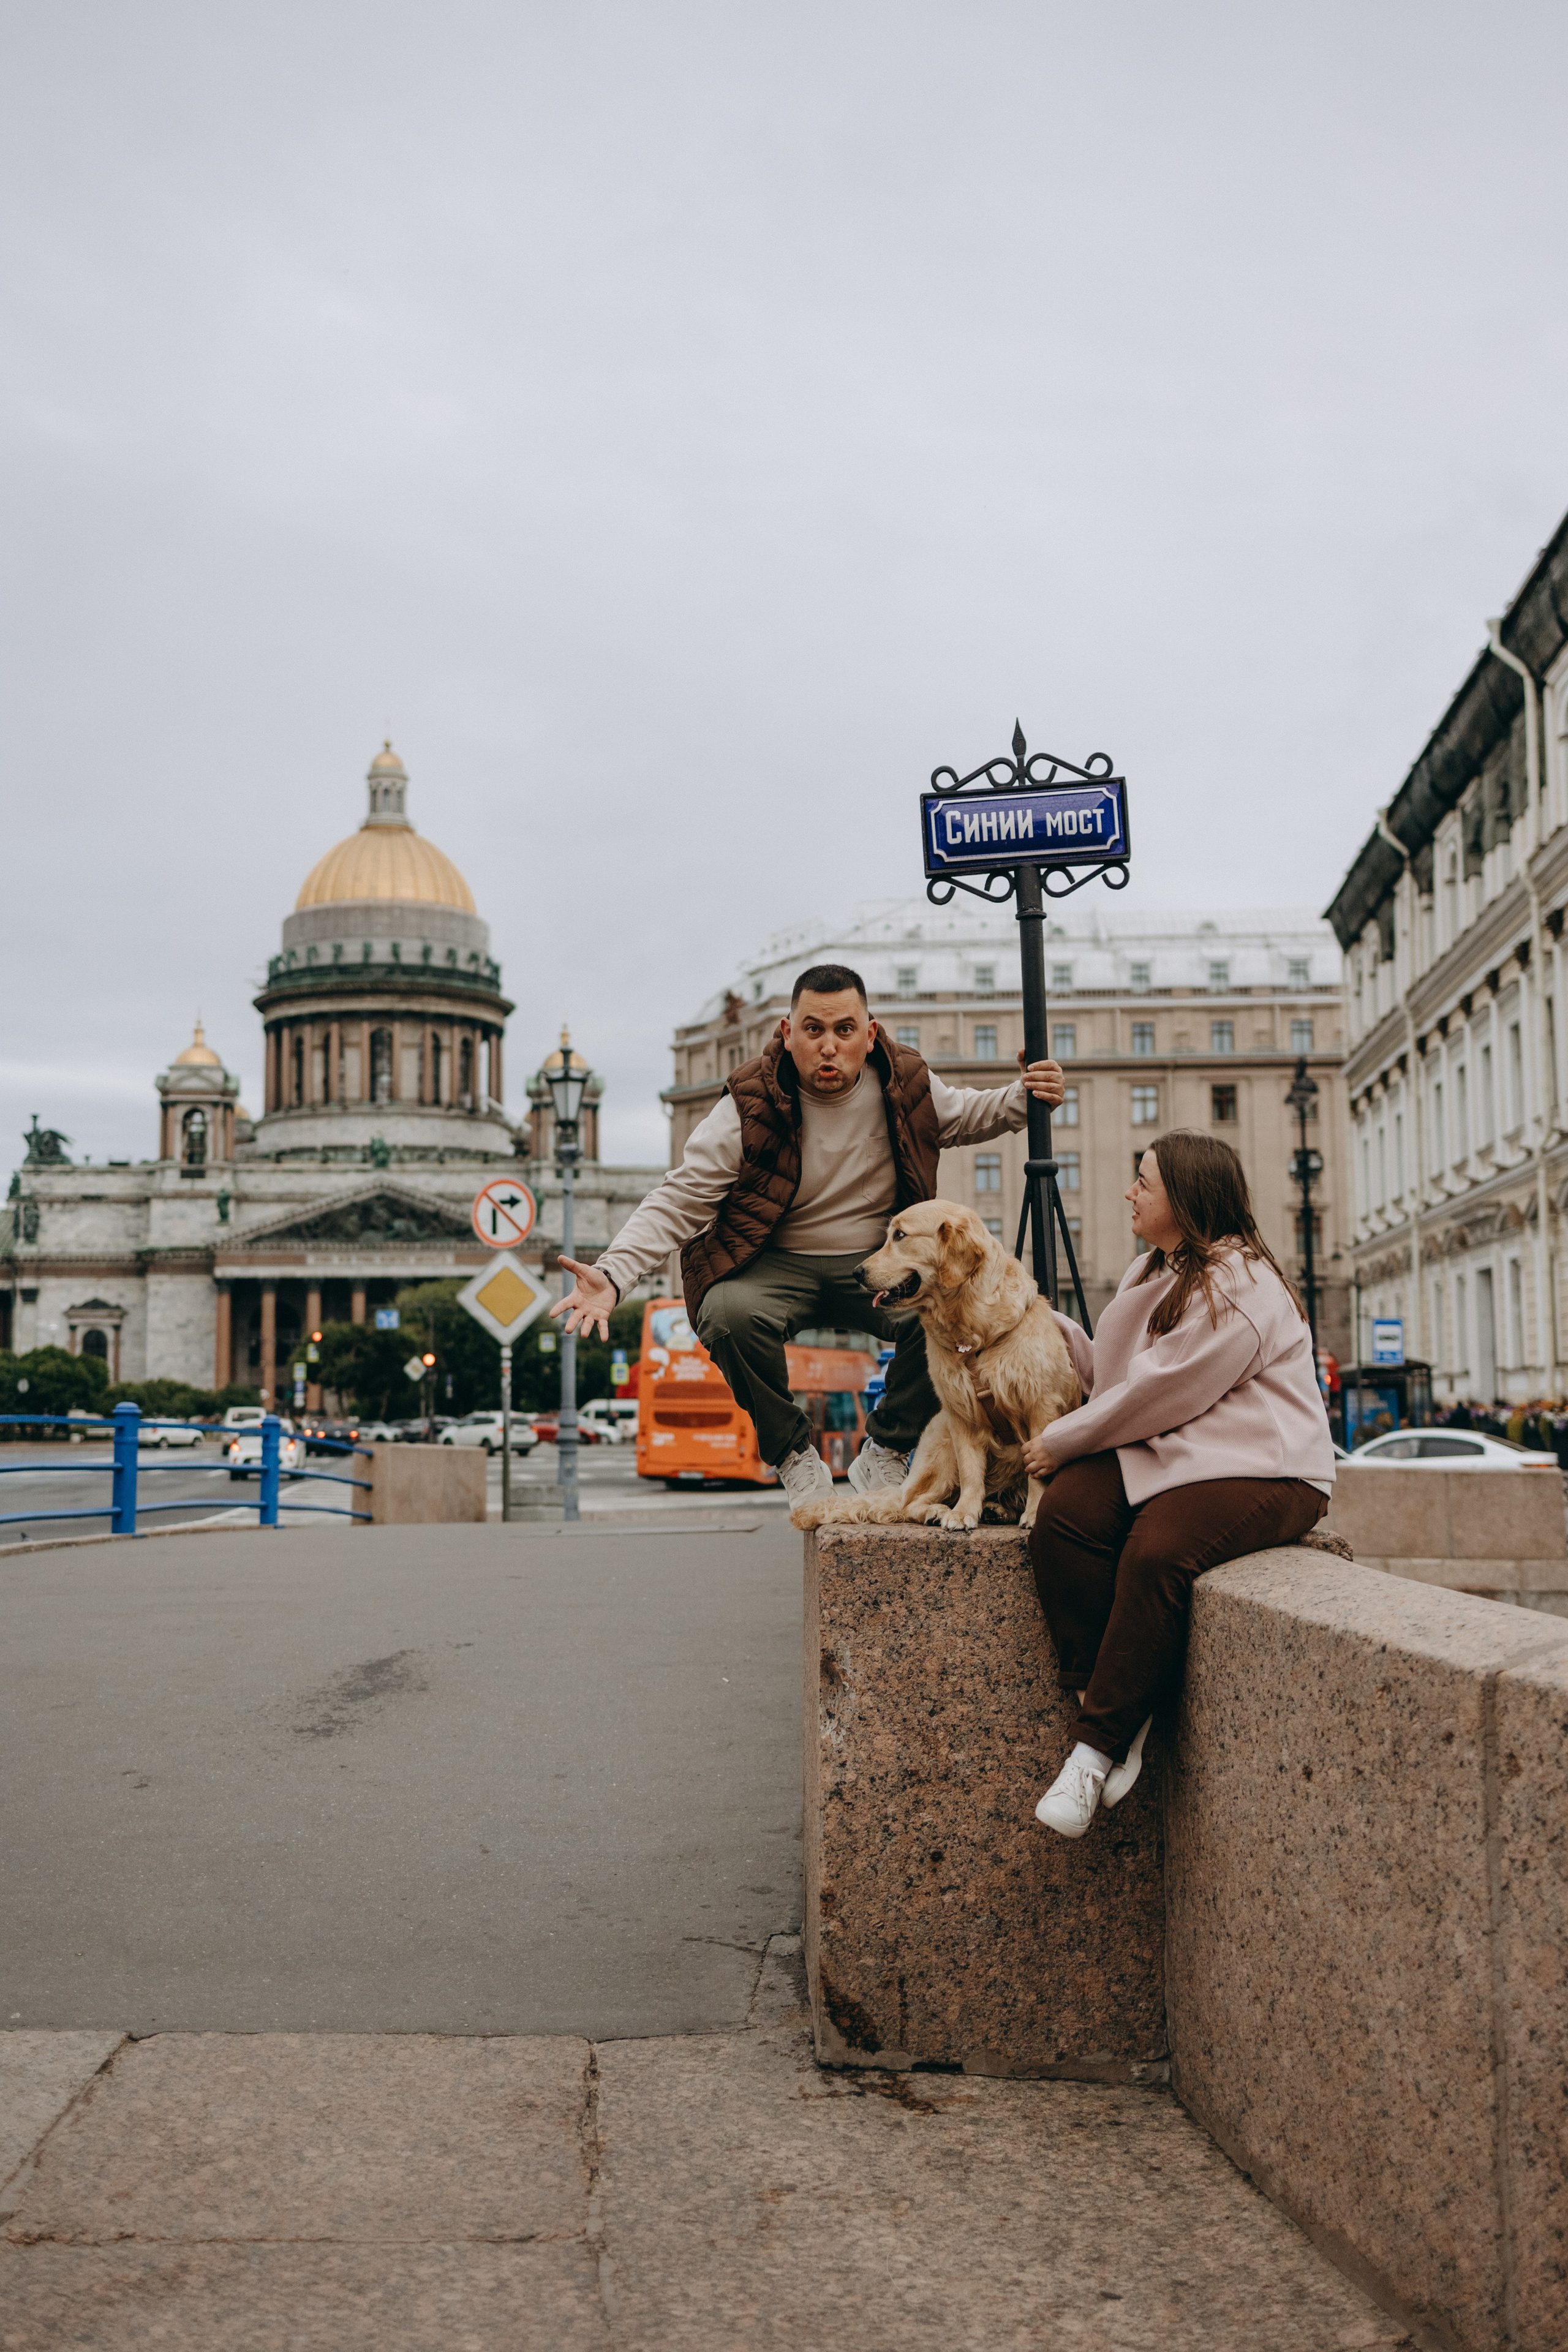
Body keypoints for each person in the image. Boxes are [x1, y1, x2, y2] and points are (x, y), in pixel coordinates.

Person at [550, 962, 1065, 1503]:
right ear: (787, 1033)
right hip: (774, 1265)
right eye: (813, 1030)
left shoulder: (906, 1082)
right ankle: (794, 1457)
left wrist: (1025, 1095)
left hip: (872, 1265)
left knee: (946, 1311)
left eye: (844, 1030)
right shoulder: (747, 1105)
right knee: (726, 1315)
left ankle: (886, 1451)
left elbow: (966, 1115)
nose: (828, 1046)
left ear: (868, 1036)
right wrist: (612, 1275)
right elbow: (680, 1198)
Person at [1022, 1129, 1335, 1838]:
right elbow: (1115, 1379)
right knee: (1065, 1517)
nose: (1128, 1193)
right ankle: (1113, 1701)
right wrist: (1031, 1326)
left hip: (1267, 1468)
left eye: (1144, 1183)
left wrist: (1059, 1442)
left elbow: (1167, 1390)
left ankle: (1093, 1750)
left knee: (1157, 1553)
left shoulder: (1244, 1282)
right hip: (1173, 1453)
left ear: (1186, 1199)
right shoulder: (1146, 1274)